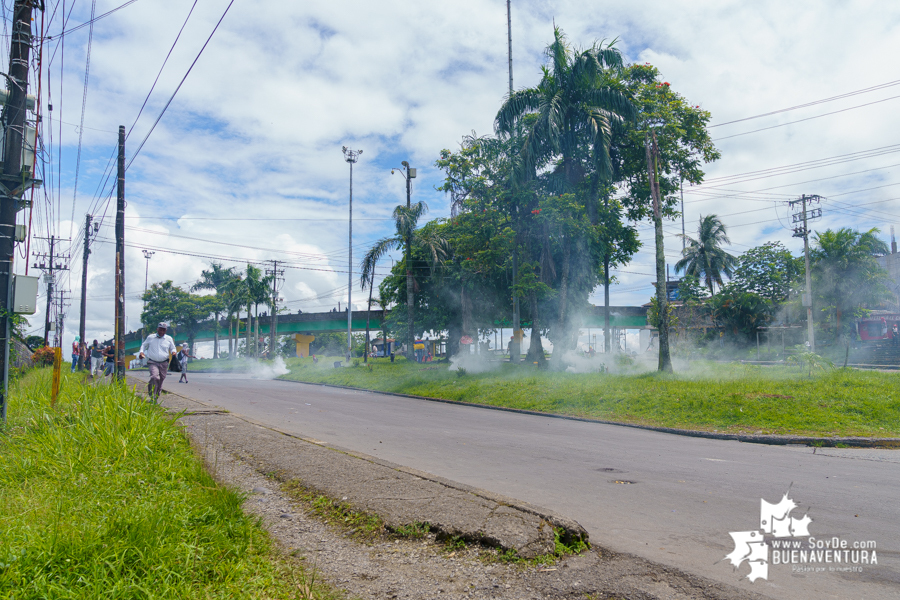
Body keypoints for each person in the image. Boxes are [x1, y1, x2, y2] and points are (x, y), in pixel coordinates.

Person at [139, 322, 177, 400]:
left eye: (164, 330)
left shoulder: (168, 338)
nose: (162, 332)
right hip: (152, 362)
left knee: (161, 380)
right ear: (157, 329)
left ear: (166, 330)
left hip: (164, 362)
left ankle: (156, 396)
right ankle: (151, 394)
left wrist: (174, 352)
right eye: (160, 330)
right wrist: (141, 352)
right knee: (155, 377)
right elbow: (144, 345)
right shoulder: (150, 337)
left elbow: (173, 347)